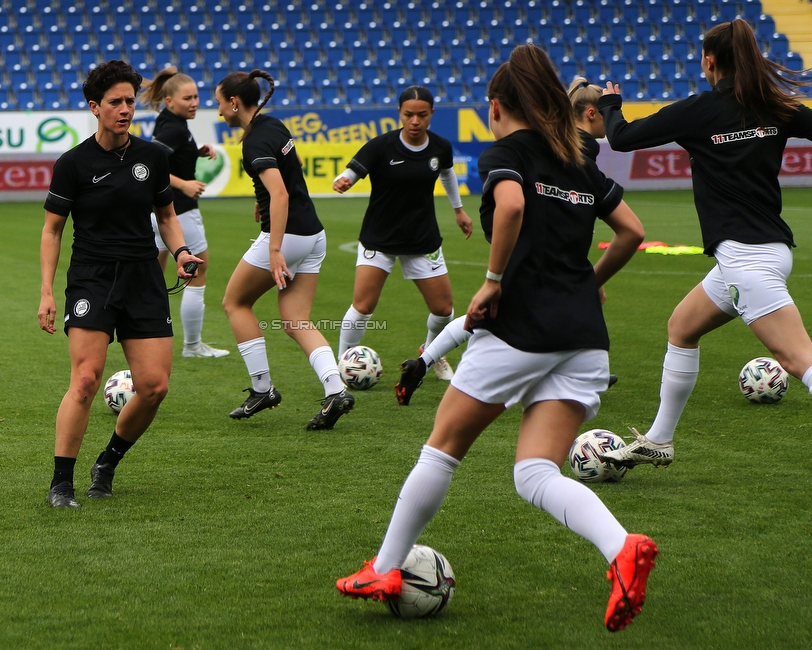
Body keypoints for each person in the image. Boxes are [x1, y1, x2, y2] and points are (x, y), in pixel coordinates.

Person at [335, 44, 656, 633]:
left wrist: (491, 281)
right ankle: (622, 546)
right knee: (535, 473)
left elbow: (508, 206)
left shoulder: (508, 153)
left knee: (442, 447)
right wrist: (588, 281)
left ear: (496, 105)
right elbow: (633, 232)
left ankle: (382, 568)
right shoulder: (577, 157)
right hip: (584, 338)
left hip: (520, 328)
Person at [598, 19, 812, 469]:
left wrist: (611, 104)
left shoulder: (697, 111)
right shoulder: (777, 106)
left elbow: (620, 137)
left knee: (798, 359)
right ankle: (659, 439)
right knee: (682, 327)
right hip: (770, 251)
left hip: (744, 259)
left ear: (709, 62)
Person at [393, 75, 617, 406]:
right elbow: (556, 210)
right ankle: (568, 365)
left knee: (491, 315)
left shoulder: (552, 143)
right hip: (542, 249)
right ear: (591, 114)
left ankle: (425, 362)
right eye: (609, 113)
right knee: (494, 319)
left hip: (534, 245)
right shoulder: (578, 148)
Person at [38, 60, 202, 508]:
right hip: (92, 279)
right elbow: (52, 231)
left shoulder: (153, 157)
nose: (125, 109)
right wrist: (48, 292)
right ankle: (61, 483)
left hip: (143, 279)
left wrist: (183, 252)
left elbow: (167, 218)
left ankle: (107, 462)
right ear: (95, 107)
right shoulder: (72, 164)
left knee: (154, 387)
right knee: (87, 379)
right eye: (115, 102)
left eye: (130, 101)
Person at [216, 69, 354, 430]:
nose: (219, 112)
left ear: (234, 102)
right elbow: (287, 179)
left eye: (219, 104)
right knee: (296, 320)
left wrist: (275, 248)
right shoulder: (272, 125)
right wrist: (262, 201)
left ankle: (262, 389)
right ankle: (335, 389)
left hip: (288, 238)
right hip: (313, 235)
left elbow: (279, 193)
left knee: (235, 302)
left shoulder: (254, 143)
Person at [332, 85, 472, 381]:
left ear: (431, 114)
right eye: (408, 115)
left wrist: (458, 210)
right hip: (379, 237)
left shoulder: (440, 147)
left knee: (444, 310)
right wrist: (344, 180)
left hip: (422, 238)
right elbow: (352, 171)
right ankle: (342, 363)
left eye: (422, 115)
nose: (415, 121)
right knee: (363, 306)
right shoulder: (381, 146)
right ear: (400, 113)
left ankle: (431, 353)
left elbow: (446, 173)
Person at [139, 66, 229, 359]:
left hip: (159, 211)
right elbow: (153, 164)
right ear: (169, 100)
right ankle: (192, 346)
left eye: (196, 96)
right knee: (197, 270)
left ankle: (143, 336)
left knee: (152, 275)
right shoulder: (173, 127)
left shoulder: (171, 121)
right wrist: (185, 184)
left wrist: (195, 152)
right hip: (178, 211)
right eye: (187, 98)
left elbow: (168, 156)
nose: (194, 103)